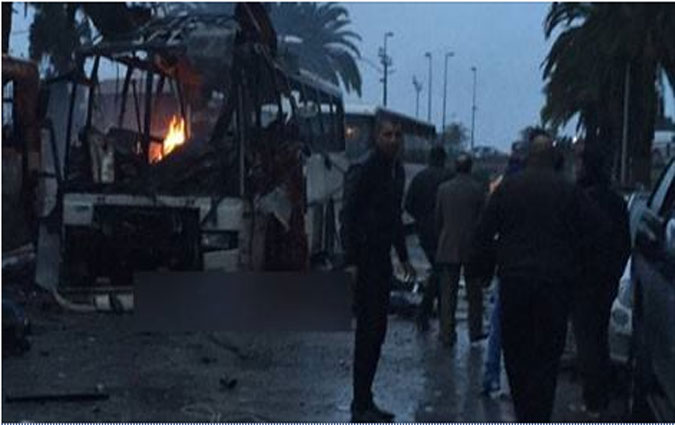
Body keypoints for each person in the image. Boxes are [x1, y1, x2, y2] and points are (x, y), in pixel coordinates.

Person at [471, 129, 598, 421]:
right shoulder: (569, 192)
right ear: (554, 159)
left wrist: (485, 271)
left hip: (515, 284)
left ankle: (525, 413)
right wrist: (578, 272)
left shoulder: (507, 189)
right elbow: (596, 233)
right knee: (546, 360)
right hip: (555, 288)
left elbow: (482, 235)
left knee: (517, 356)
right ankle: (539, 414)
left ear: (528, 158)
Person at [340, 117, 415, 422]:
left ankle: (365, 398)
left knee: (377, 333)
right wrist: (351, 262)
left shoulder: (395, 172)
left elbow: (394, 218)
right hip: (365, 260)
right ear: (376, 137)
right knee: (368, 334)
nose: (393, 140)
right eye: (387, 134)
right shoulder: (366, 168)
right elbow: (348, 215)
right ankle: (360, 404)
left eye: (397, 135)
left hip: (382, 259)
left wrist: (404, 256)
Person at [570, 144, 631, 416]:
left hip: (584, 279)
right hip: (607, 280)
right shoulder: (616, 201)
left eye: (580, 164)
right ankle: (600, 395)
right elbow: (624, 244)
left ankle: (593, 400)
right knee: (598, 337)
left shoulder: (580, 199)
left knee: (587, 340)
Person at [482, 154, 525, 397]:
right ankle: (518, 381)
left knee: (498, 324)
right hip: (530, 271)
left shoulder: (501, 190)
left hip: (507, 269)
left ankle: (491, 377)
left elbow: (487, 229)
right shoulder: (534, 192)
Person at [434, 153, 487, 346]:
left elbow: (438, 218)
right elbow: (483, 221)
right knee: (474, 294)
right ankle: (475, 330)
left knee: (448, 293)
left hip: (448, 246)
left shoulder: (443, 189)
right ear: (470, 167)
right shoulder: (478, 190)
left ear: (455, 167)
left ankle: (446, 332)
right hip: (472, 248)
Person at [404, 146, 452, 332]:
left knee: (438, 268)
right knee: (440, 270)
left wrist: (422, 218)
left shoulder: (420, 178)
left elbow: (408, 205)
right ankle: (429, 310)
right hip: (445, 230)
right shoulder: (449, 177)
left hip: (425, 231)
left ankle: (434, 310)